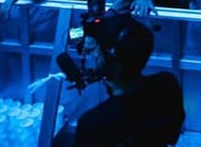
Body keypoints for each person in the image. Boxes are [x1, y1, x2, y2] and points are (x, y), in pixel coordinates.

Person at [68, 15, 185, 147]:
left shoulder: (92, 124)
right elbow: (172, 137)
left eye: (95, 51)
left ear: (111, 59)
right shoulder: (167, 86)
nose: (94, 56)